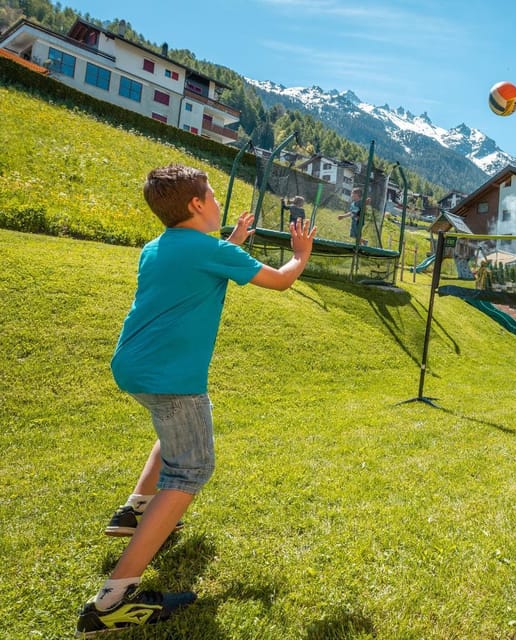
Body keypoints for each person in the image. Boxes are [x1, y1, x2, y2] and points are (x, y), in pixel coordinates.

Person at [76, 164, 316, 636]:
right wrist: (300, 255)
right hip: (171, 376)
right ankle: (113, 600)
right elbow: (281, 280)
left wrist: (233, 240)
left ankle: (135, 511)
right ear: (196, 204)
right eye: (211, 194)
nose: (217, 201)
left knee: (178, 431)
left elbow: (203, 264)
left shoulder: (159, 247)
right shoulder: (208, 250)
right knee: (191, 469)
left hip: (134, 366)